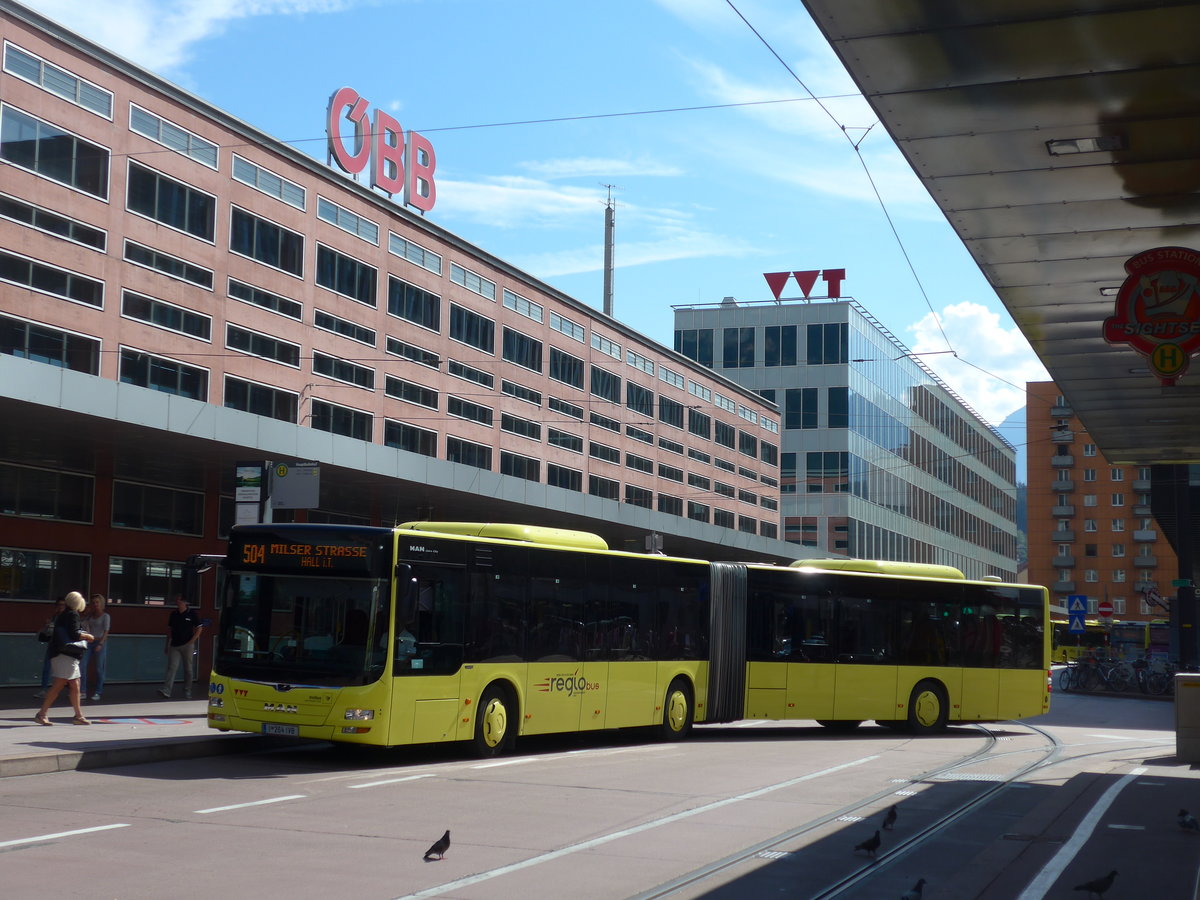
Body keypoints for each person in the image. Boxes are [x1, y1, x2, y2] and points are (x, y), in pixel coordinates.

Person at [34, 591, 94, 725]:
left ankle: (78, 716)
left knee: (75, 684)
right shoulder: (72, 614)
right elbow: (74, 634)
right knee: (60, 684)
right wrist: (87, 636)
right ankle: (42, 714)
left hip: (62, 654)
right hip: (65, 655)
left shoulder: (63, 615)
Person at [159, 594, 202, 699]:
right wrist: (167, 645)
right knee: (172, 667)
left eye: (178, 600)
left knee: (188, 669)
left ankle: (187, 690)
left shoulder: (191, 613)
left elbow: (199, 628)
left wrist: (191, 642)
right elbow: (169, 631)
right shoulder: (173, 614)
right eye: (176, 600)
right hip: (174, 645)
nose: (177, 602)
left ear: (184, 602)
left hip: (187, 645)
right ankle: (167, 690)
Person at [34, 597, 66, 700]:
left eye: (63, 605)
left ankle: (58, 689)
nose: (60, 607)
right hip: (52, 644)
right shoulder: (54, 617)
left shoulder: (67, 617)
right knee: (47, 667)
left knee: (62, 669)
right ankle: (44, 689)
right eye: (59, 605)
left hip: (62, 646)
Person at [81, 593, 111, 701]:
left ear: (101, 603)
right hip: (89, 641)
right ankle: (83, 691)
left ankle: (98, 691)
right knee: (82, 666)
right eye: (93, 603)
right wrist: (86, 613)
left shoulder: (105, 616)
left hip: (99, 642)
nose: (95, 605)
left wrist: (100, 644)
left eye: (97, 602)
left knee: (99, 668)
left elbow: (106, 631)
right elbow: (82, 624)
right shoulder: (90, 616)